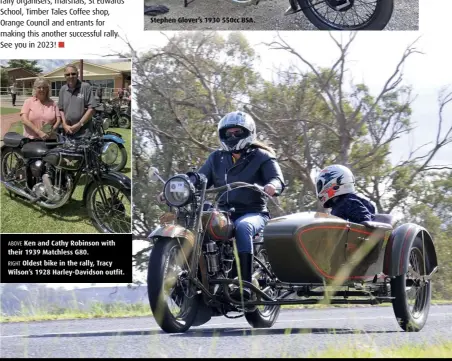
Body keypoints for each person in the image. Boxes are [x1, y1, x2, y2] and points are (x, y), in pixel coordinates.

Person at [195, 111, 286, 301]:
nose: (232, 137)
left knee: (243, 228)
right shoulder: (216, 158)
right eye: (228, 133)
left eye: (237, 132)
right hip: (224, 213)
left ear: (248, 133)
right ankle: (198, 280)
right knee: (200, 223)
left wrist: (272, 186)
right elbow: (200, 178)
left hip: (253, 213)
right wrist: (180, 186)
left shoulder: (262, 156)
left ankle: (245, 285)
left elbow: (277, 179)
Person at [58, 65, 96, 139]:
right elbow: (61, 109)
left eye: (73, 73)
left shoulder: (85, 87)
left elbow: (91, 109)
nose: (71, 76)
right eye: (68, 74)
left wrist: (79, 124)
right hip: (67, 131)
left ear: (77, 74)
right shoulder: (63, 89)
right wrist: (65, 125)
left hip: (84, 132)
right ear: (65, 76)